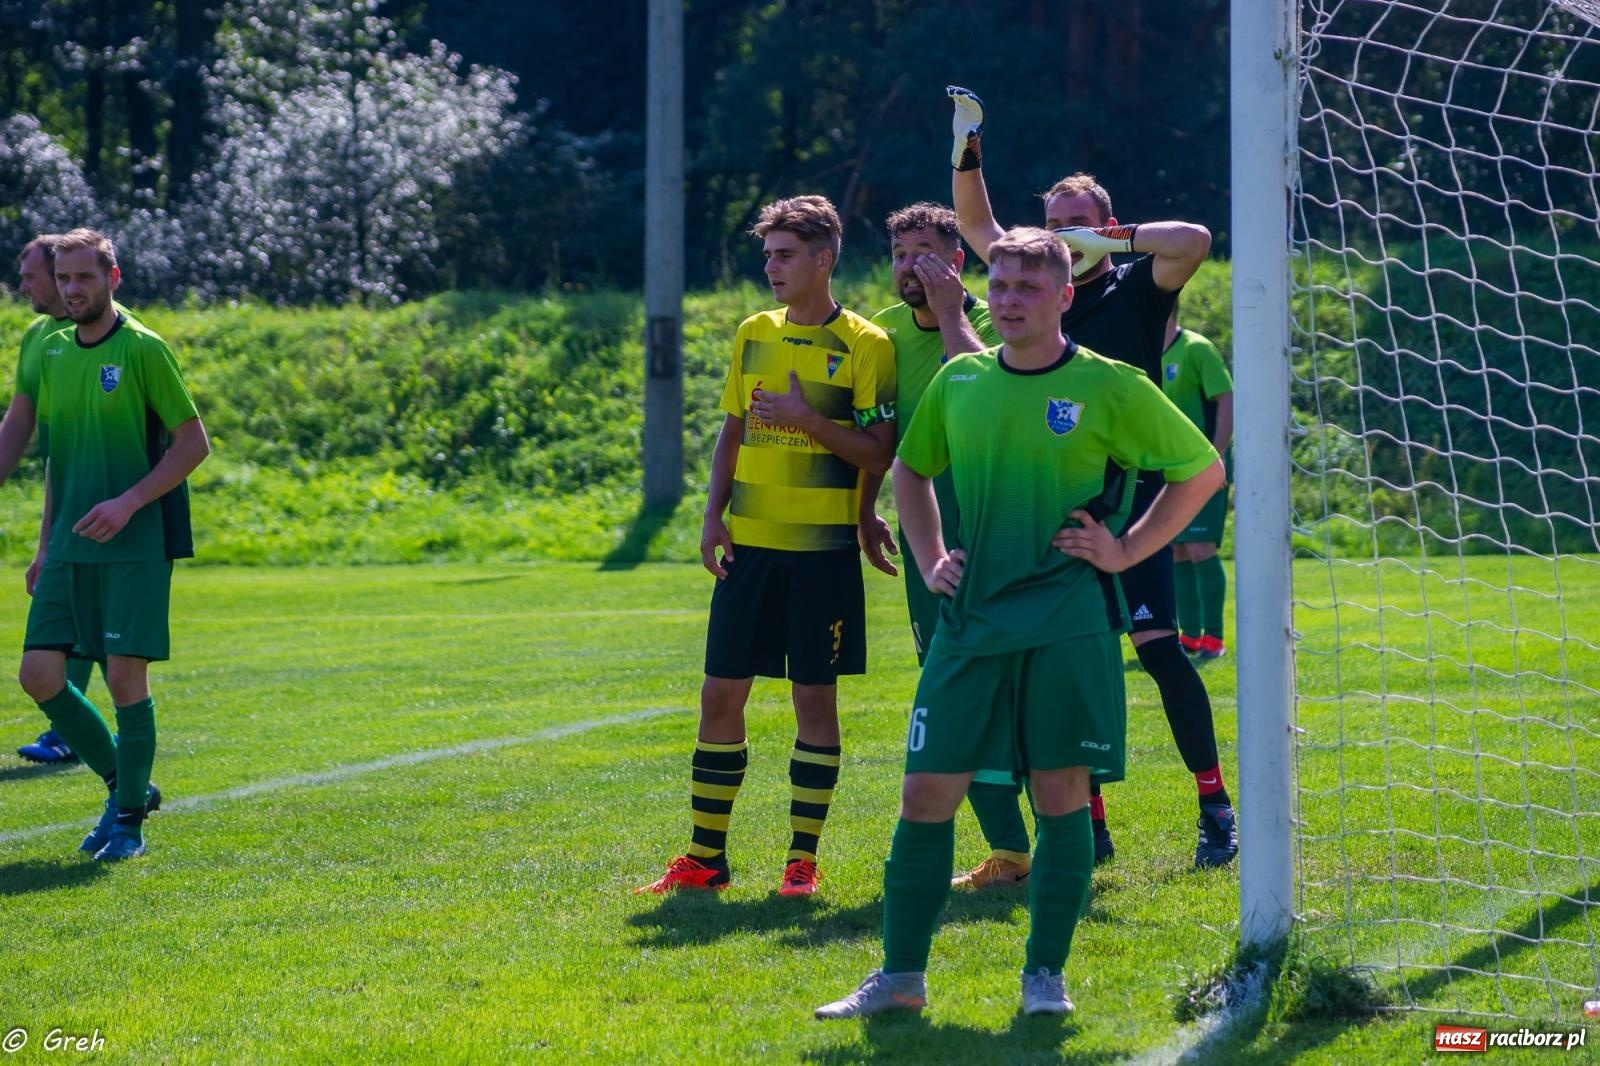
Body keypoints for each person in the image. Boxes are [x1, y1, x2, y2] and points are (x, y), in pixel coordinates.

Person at [816, 227, 1223, 1019]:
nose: (1009, 301)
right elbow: (911, 468)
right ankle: (900, 978)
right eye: (998, 287)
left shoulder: (1112, 385)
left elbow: (1200, 470)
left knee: (1061, 793)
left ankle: (1045, 977)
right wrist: (931, 555)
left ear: (1064, 296)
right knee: (925, 794)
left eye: (1028, 288)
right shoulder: (961, 380)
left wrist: (1127, 547)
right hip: (969, 622)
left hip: (1066, 621)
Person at [946, 85, 1239, 870]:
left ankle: (1214, 804)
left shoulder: (1136, 286)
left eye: (1083, 220)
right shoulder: (1035, 292)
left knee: (1158, 647)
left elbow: (1193, 238)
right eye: (1058, 220)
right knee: (1066, 661)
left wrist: (1111, 237)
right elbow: (976, 223)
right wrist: (967, 140)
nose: (1067, 233)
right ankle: (1090, 826)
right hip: (1055, 499)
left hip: (1138, 497)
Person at [638, 195, 896, 897]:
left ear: (824, 258)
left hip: (822, 556)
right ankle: (705, 858)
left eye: (785, 255)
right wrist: (712, 516)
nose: (772, 267)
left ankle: (801, 861)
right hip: (749, 549)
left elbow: (879, 450)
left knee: (815, 702)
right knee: (720, 695)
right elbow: (733, 430)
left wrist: (808, 419)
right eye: (768, 255)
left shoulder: (867, 345)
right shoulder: (754, 331)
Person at [17, 228, 209, 861]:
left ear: (112, 279)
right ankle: (124, 784)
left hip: (134, 545)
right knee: (39, 676)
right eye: (64, 278)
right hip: (70, 549)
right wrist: (46, 544)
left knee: (126, 682)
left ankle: (127, 823)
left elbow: (192, 443)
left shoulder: (143, 349)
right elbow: (57, 461)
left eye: (85, 278)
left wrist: (128, 503)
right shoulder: (52, 352)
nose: (73, 289)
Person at [857, 203, 1032, 890]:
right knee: (951, 679)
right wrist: (867, 510)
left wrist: (951, 308)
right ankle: (1011, 853)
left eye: (925, 252)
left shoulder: (994, 320)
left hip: (1001, 523)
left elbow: (983, 390)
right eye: (900, 254)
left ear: (957, 261)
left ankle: (1071, 834)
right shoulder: (884, 335)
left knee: (1024, 681)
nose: (909, 267)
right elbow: (886, 435)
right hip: (926, 529)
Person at [6, 235, 108, 765]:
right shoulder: (40, 338)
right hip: (67, 503)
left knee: (117, 657)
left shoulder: (114, 337)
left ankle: (126, 779)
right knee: (64, 636)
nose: (24, 285)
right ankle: (108, 762)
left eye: (30, 276)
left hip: (114, 514)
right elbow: (21, 425)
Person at [1160, 304, 1234, 661]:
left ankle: (1215, 638)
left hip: (1203, 465)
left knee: (1200, 547)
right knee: (1176, 551)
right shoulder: (1146, 352)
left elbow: (1226, 399)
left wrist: (1217, 455)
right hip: (1167, 469)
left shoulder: (1196, 349)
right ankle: (1189, 636)